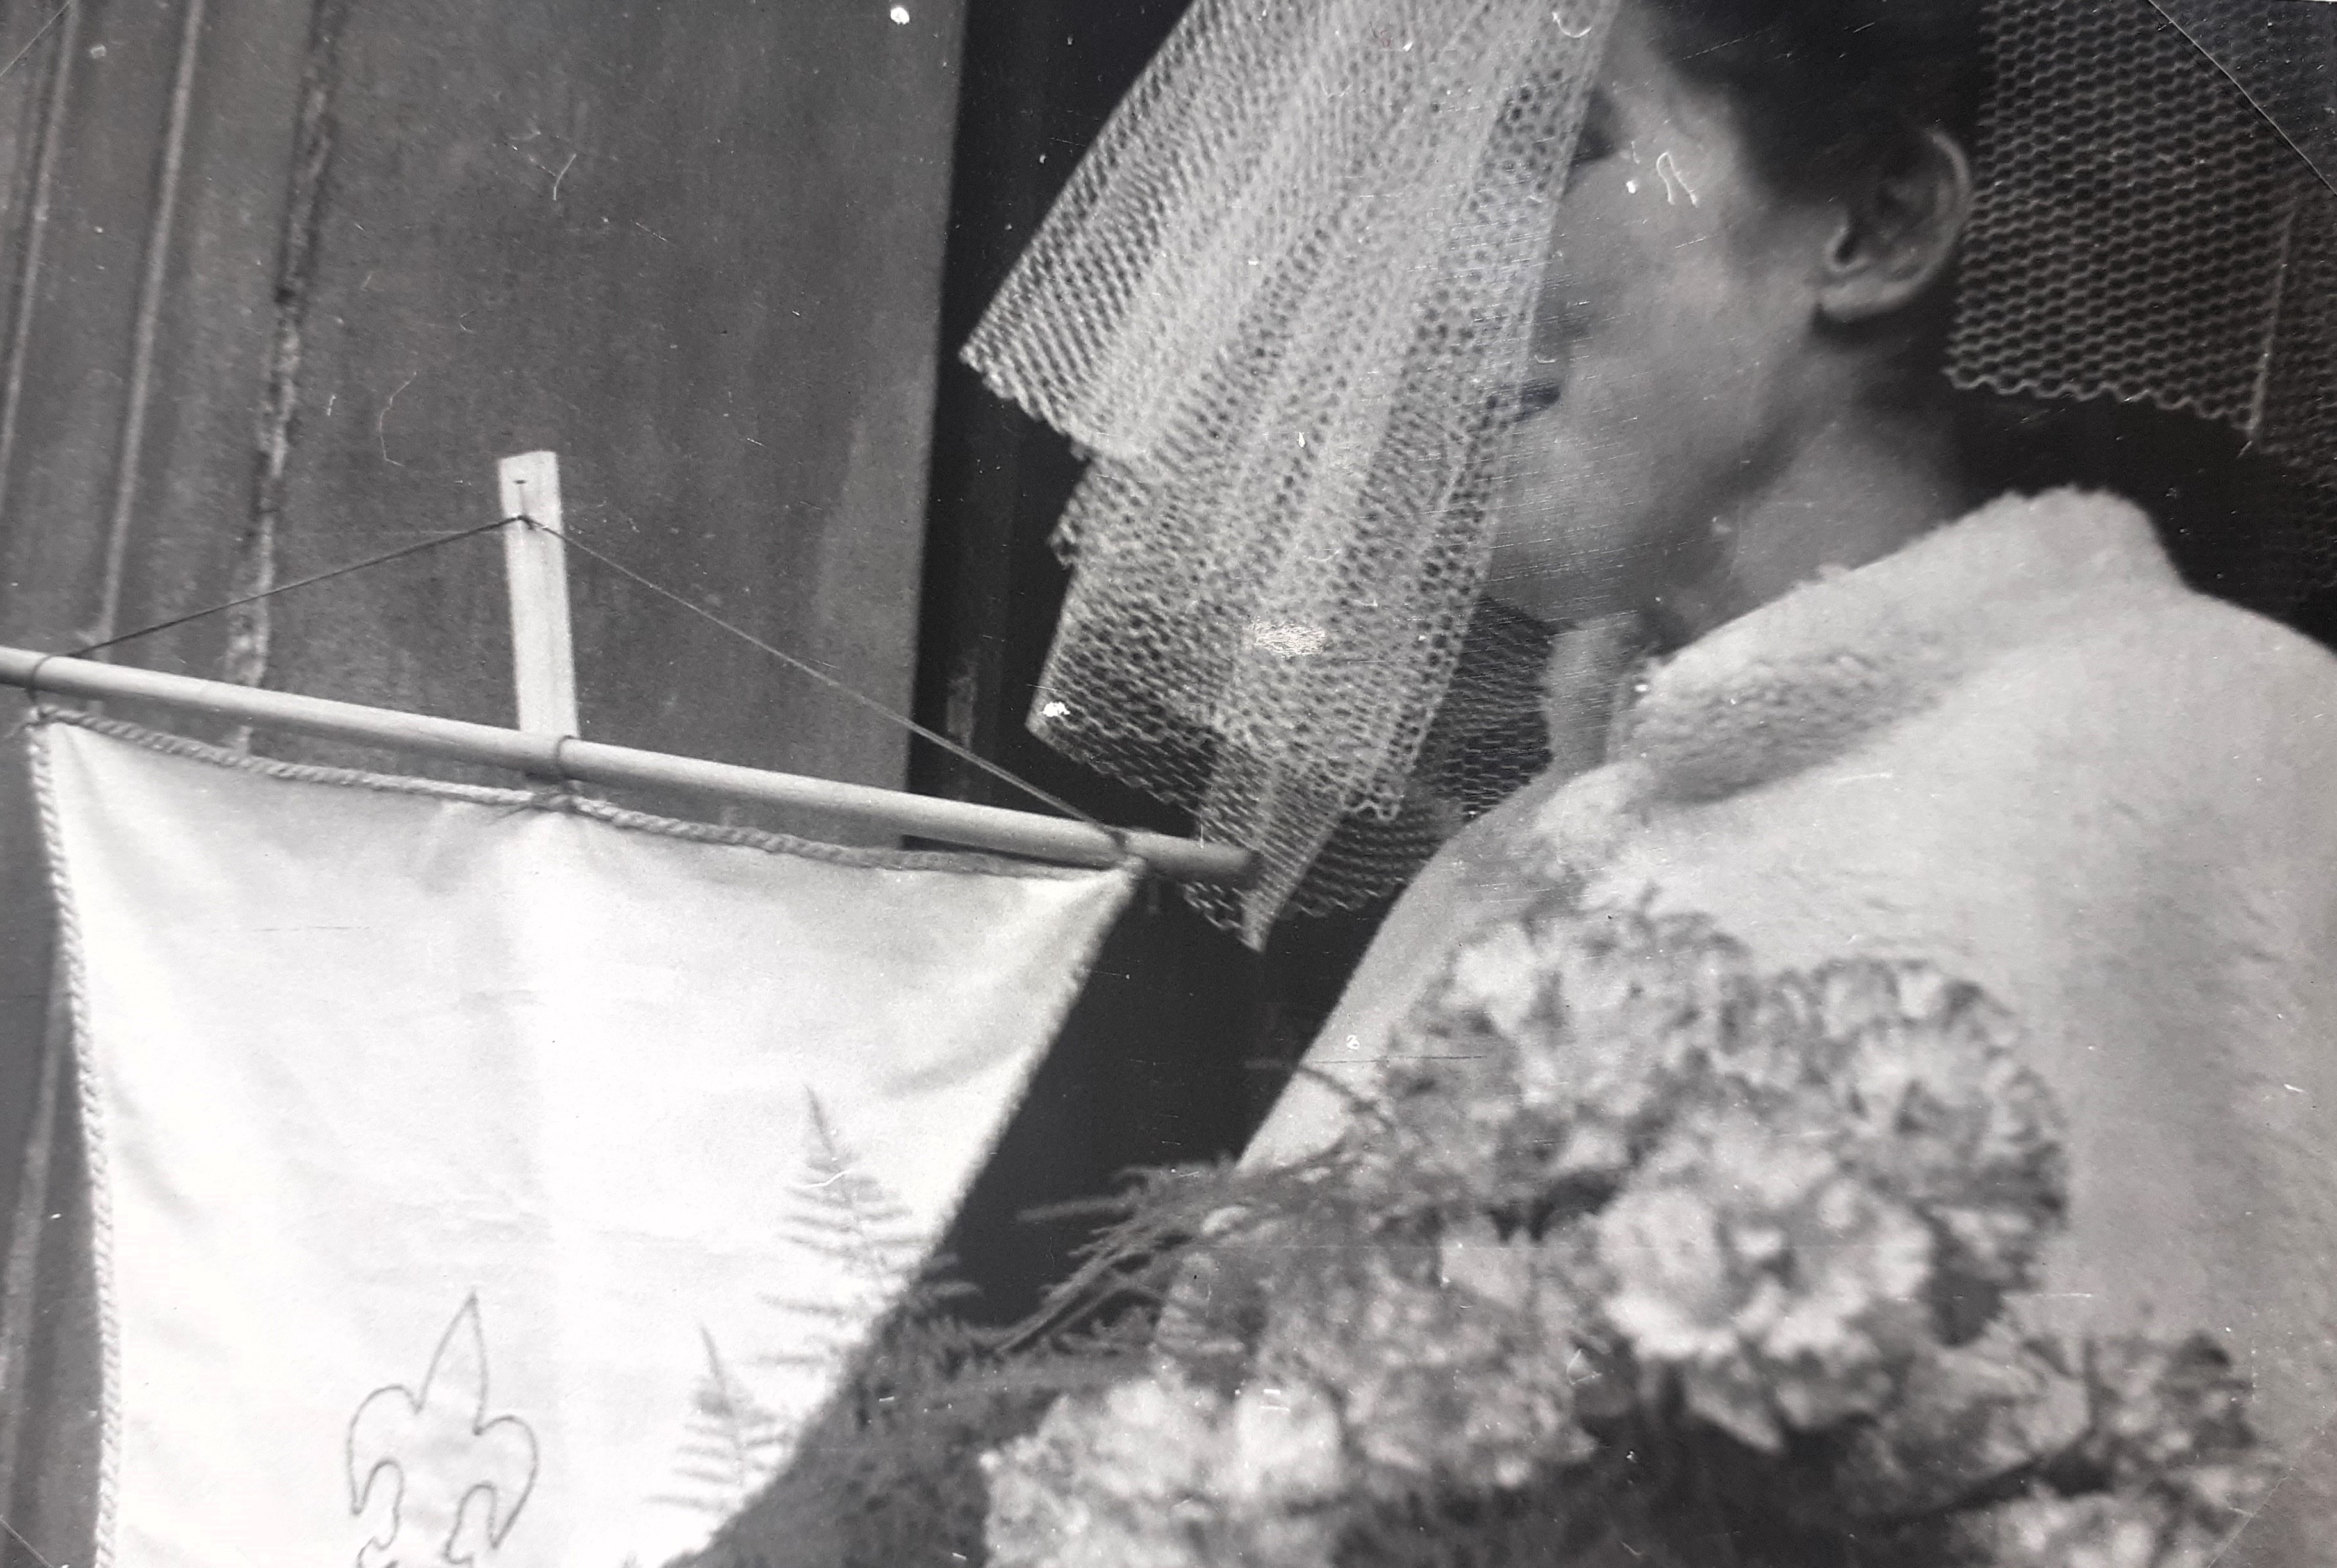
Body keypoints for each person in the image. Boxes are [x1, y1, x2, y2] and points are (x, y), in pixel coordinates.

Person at [968, 0, 2337, 1558]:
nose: (1425, 279)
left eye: (1552, 146)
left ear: (1877, 225)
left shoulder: (2236, 755)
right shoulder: (1502, 870)